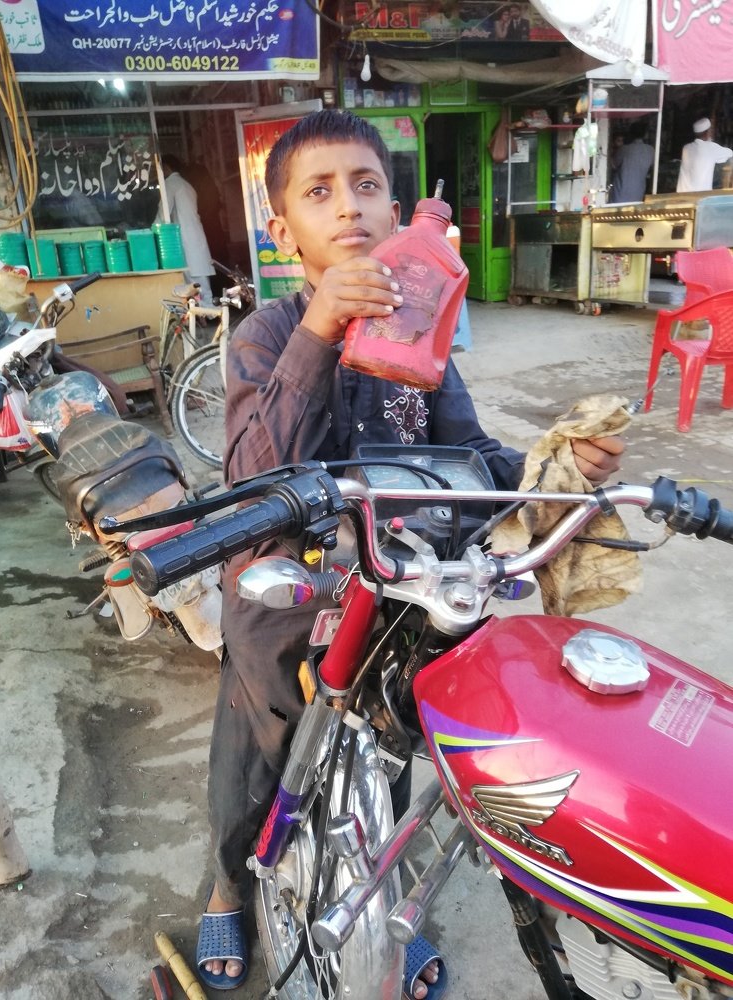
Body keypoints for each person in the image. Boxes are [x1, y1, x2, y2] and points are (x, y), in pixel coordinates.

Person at [199, 109, 624, 994]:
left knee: (386, 763)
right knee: (262, 761)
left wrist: (552, 468)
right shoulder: (268, 335)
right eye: (319, 192)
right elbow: (252, 474)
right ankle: (225, 883)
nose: (348, 207)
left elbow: (466, 456)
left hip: (397, 595)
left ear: (397, 216)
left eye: (366, 186)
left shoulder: (422, 330)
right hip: (289, 601)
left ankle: (376, 905)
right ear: (284, 233)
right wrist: (320, 329)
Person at [155, 154, 215, 305]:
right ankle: (209, 314)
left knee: (192, 281)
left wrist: (152, 230)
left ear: (166, 167)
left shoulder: (170, 183)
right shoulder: (186, 184)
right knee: (202, 281)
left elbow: (164, 215)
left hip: (184, 239)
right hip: (195, 236)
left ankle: (205, 314)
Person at [676, 117, 733, 193]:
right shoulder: (711, 147)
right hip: (699, 197)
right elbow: (730, 153)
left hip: (681, 195)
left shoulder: (686, 148)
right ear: (707, 133)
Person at [609, 122, 655, 204]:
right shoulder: (650, 150)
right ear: (645, 134)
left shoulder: (624, 149)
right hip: (638, 193)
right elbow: (652, 167)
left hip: (620, 193)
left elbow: (613, 165)